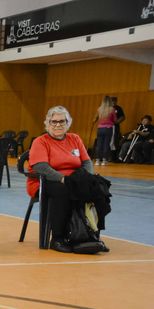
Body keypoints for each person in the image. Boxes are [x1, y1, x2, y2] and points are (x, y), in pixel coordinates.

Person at [27, 106, 105, 254]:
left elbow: (87, 162)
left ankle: (92, 236)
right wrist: (63, 179)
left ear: (67, 122)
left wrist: (87, 179)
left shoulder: (74, 138)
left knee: (98, 187)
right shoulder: (40, 141)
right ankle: (57, 238)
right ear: (48, 123)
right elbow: (41, 167)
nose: (57, 125)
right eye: (54, 122)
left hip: (73, 180)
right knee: (63, 191)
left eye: (62, 121)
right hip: (44, 182)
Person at [93, 96, 116, 166]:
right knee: (106, 144)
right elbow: (114, 120)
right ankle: (104, 160)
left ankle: (97, 160)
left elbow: (96, 117)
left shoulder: (99, 109)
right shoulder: (112, 109)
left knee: (99, 144)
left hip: (100, 128)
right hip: (108, 128)